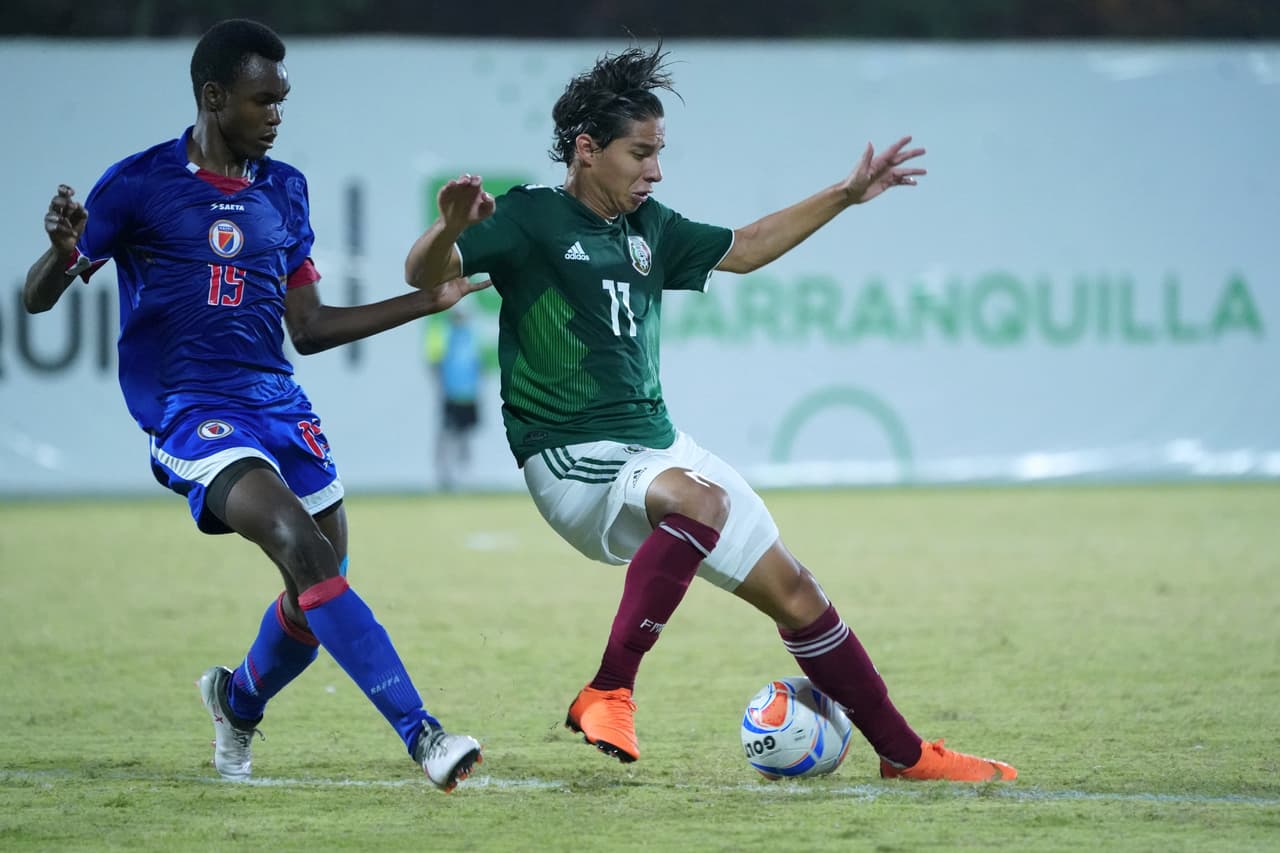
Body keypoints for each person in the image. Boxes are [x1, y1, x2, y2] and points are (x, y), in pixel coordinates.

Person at [404, 44, 1017, 782]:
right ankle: (609, 688)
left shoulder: (651, 227)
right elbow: (422, 276)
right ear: (587, 150)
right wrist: (445, 229)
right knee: (702, 501)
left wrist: (845, 195)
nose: (655, 170)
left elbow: (748, 248)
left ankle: (905, 754)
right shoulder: (530, 217)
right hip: (568, 455)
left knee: (796, 589)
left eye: (659, 153)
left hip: (656, 445)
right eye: (641, 153)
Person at [23, 19, 483, 791]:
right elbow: (39, 299)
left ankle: (235, 700)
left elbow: (308, 329)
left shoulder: (285, 189)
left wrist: (424, 300)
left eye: (282, 101)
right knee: (299, 546)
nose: (276, 114)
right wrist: (64, 256)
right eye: (262, 100)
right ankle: (423, 733)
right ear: (212, 98)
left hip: (276, 400)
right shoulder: (138, 185)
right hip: (192, 409)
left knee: (315, 590)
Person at [423, 308, 482, 491]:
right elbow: (435, 363)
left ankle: (465, 473)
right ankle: (445, 474)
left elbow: (476, 365)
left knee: (466, 435)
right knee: (448, 434)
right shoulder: (444, 336)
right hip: (451, 393)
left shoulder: (471, 337)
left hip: (469, 394)